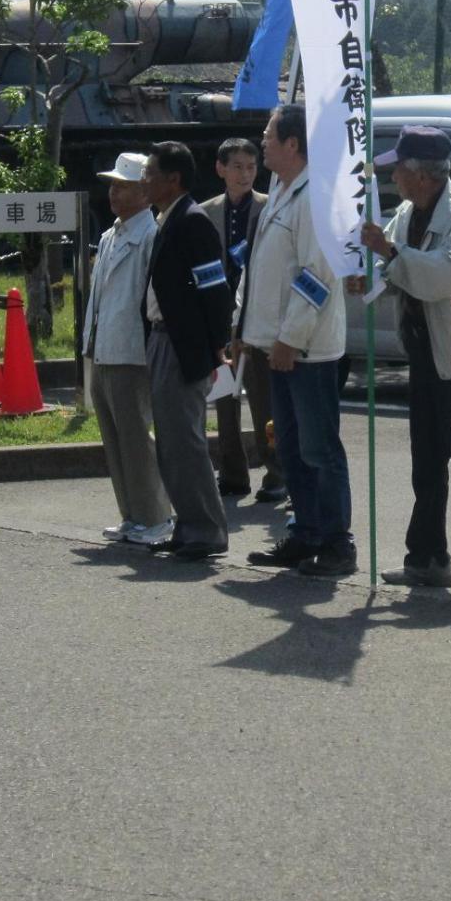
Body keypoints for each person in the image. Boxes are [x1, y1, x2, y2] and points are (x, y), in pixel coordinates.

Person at [356, 125, 451, 598]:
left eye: (398, 170)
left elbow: (442, 277)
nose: (393, 178)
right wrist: (374, 275)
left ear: (422, 174)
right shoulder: (406, 211)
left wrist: (390, 255)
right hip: (423, 351)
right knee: (426, 464)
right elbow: (394, 268)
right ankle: (427, 558)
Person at [242, 106, 355, 578]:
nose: (262, 142)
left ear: (292, 144)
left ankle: (335, 542)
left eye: (269, 135)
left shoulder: (314, 197)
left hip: (306, 350)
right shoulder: (285, 192)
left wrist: (289, 338)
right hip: (277, 347)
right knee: (290, 447)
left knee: (318, 448)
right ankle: (305, 532)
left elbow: (317, 276)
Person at [140, 140, 234, 561]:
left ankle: (207, 530)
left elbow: (215, 290)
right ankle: (188, 524)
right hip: (163, 338)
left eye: (149, 173)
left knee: (185, 440)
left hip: (184, 344)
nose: (143, 181)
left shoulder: (192, 222)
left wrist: (218, 346)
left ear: (172, 178)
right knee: (171, 441)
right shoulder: (167, 218)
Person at [82, 152, 174, 546]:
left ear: (144, 191)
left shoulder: (151, 236)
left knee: (136, 437)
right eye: (112, 185)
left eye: (122, 185)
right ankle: (132, 514)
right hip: (103, 347)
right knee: (115, 436)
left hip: (131, 350)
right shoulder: (110, 235)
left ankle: (154, 516)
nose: (114, 193)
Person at [200, 136, 284, 503]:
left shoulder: (270, 208)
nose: (245, 174)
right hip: (220, 318)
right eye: (237, 166)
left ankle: (276, 473)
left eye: (251, 167)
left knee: (265, 401)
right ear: (221, 169)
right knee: (224, 400)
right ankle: (233, 474)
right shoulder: (206, 211)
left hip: (257, 316)